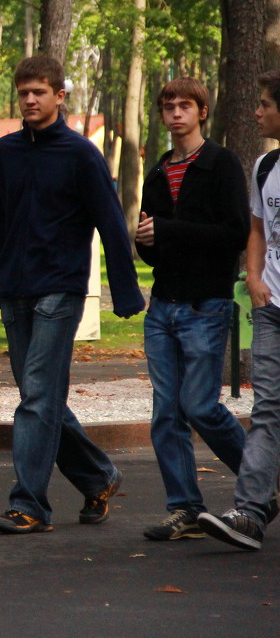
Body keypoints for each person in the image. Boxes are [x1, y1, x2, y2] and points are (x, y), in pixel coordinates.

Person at [0, 54, 144, 535]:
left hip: (60, 289)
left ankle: (29, 504)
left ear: (59, 96)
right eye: (24, 92)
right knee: (39, 396)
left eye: (39, 92)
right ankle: (98, 476)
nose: (30, 100)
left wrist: (125, 291)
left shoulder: (81, 154)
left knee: (37, 398)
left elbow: (111, 223)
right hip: (17, 290)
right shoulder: (6, 152)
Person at [135, 78, 249, 541]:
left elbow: (233, 234)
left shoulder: (221, 164)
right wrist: (146, 241)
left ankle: (260, 481)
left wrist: (168, 230)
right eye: (168, 106)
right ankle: (184, 507)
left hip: (206, 303)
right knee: (166, 413)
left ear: (203, 111)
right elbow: (154, 244)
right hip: (163, 305)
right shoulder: (159, 171)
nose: (176, 113)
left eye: (185, 106)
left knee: (200, 406)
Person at [198, 71, 280, 550]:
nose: (257, 111)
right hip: (270, 306)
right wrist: (252, 278)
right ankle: (250, 512)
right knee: (266, 409)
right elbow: (256, 229)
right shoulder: (265, 165)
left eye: (266, 104)